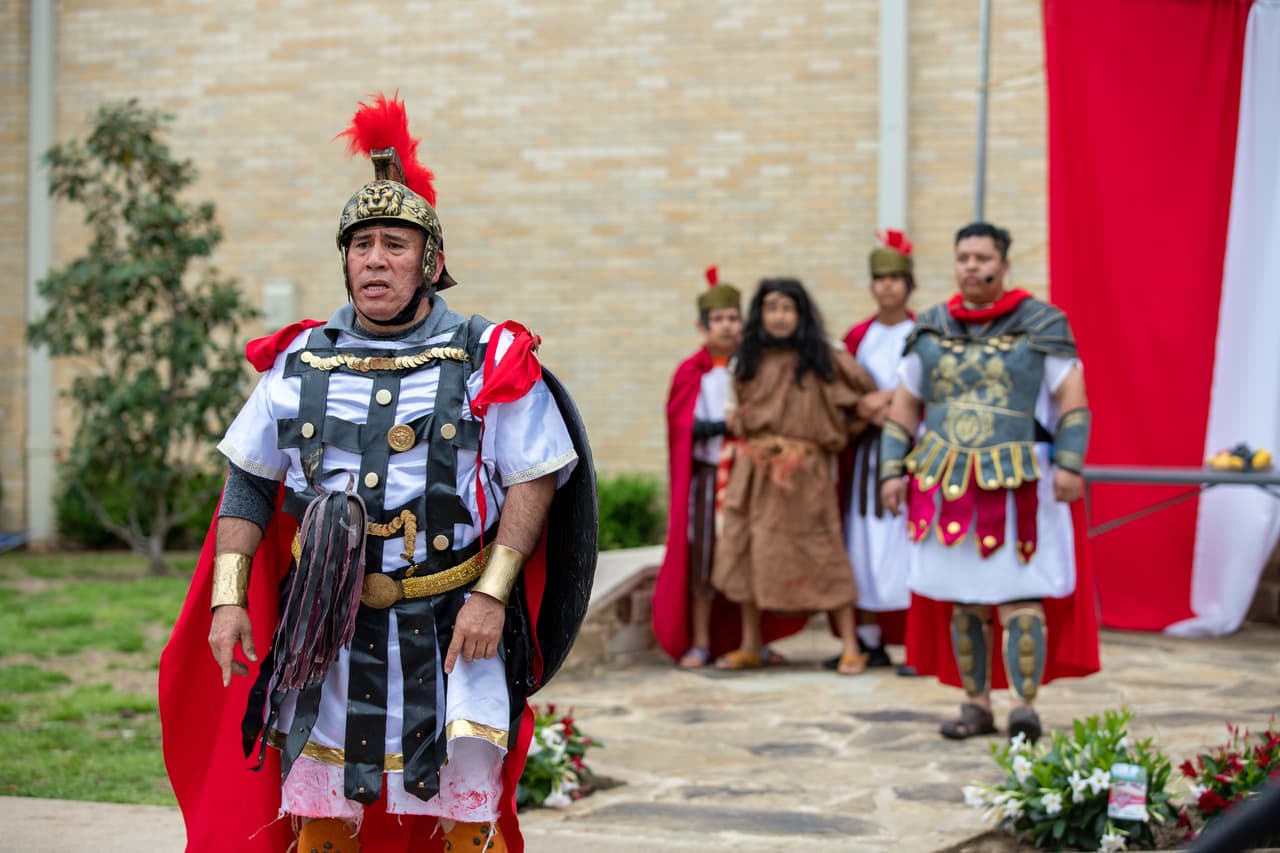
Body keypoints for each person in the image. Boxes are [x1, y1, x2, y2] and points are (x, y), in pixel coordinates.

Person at [158, 94, 591, 853]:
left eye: (395, 244)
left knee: (467, 812)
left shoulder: (487, 355)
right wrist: (228, 599)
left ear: (428, 261)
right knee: (323, 804)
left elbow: (535, 477)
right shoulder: (298, 360)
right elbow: (251, 479)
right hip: (328, 624)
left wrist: (492, 596)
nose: (375, 260)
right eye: (361, 245)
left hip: (456, 622)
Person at [879, 222, 1099, 744]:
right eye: (963, 258)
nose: (971, 267)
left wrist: (1069, 463)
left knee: (1020, 596)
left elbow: (1073, 400)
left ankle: (1023, 707)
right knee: (964, 599)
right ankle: (975, 704)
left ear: (1003, 264)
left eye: (981, 257)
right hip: (946, 480)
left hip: (1019, 480)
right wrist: (891, 469)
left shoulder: (1042, 324)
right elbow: (905, 407)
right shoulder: (930, 327)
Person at [711, 277, 876, 675]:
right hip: (757, 470)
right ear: (761, 314)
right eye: (772, 308)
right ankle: (751, 644)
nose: (780, 316)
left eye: (788, 308)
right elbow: (736, 409)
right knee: (748, 553)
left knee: (824, 551)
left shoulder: (825, 358)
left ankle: (851, 645)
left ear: (801, 314)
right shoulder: (746, 360)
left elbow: (864, 400)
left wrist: (831, 440)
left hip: (807, 474)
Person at [652, 267, 805, 668]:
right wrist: (725, 426)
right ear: (703, 326)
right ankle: (701, 642)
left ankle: (752, 641)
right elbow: (683, 426)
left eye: (733, 318)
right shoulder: (691, 372)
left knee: (751, 558)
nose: (726, 325)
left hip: (750, 476)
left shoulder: (756, 367)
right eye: (718, 319)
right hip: (708, 480)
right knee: (703, 561)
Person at [833, 230, 916, 670]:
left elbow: (923, 388)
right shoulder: (857, 337)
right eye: (880, 278)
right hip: (864, 457)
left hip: (912, 457)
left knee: (908, 546)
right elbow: (844, 395)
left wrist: (890, 403)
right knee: (862, 544)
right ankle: (868, 639)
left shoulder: (923, 331)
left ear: (909, 284)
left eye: (896, 278)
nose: (888, 286)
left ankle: (917, 644)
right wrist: (871, 408)